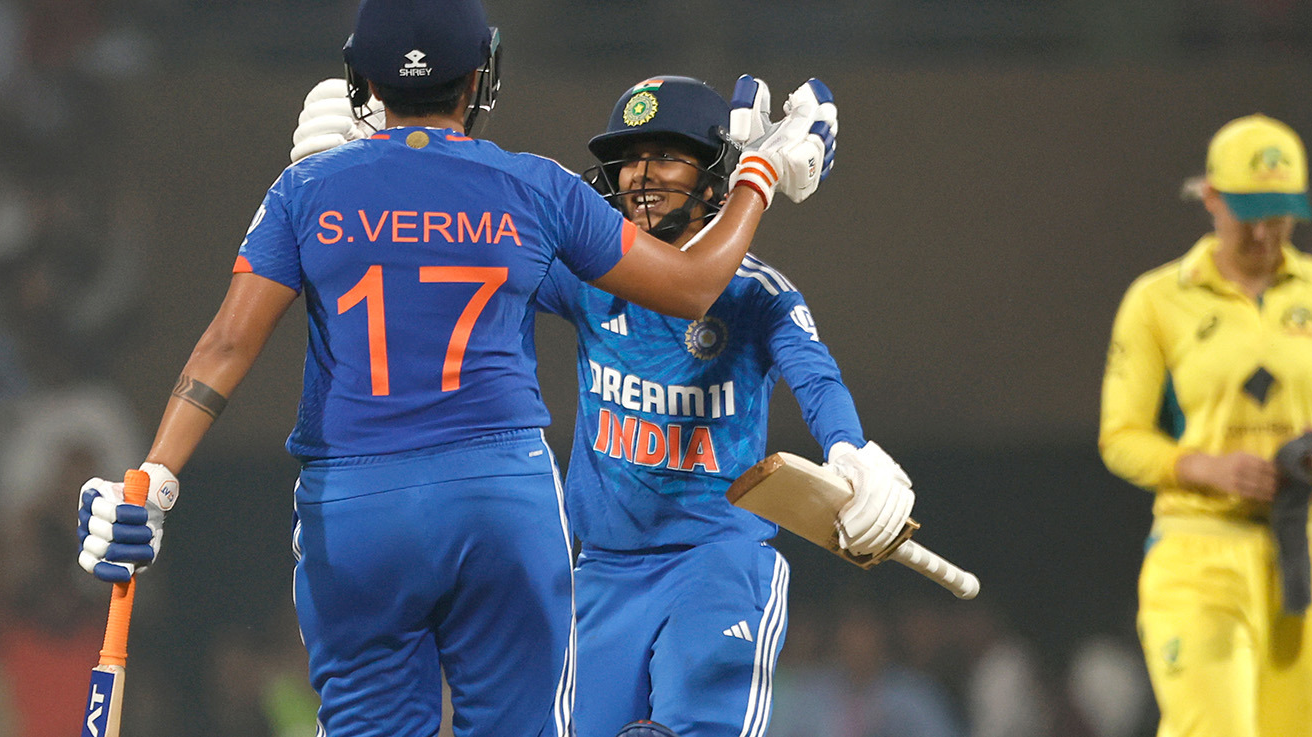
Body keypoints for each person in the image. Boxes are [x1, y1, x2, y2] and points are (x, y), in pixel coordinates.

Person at [74, 0, 835, 737]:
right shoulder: (533, 187)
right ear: (480, 75)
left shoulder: (304, 189)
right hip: (499, 498)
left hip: (356, 508)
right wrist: (758, 175)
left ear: (363, 78)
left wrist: (155, 479)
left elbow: (226, 343)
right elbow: (696, 284)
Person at [288, 74, 912, 737]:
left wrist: (850, 449)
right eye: (628, 159)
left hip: (718, 561)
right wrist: (385, 169)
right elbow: (475, 245)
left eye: (664, 155)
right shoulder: (591, 277)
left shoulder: (759, 294)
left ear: (713, 175)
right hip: (603, 574)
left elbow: (816, 379)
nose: (640, 176)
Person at [1099, 113, 1312, 737]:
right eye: (1248, 211)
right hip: (1199, 545)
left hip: (1308, 547)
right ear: (1211, 198)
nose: (1264, 232)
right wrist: (1203, 466)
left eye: (1279, 214)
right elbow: (1120, 437)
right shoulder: (1158, 300)